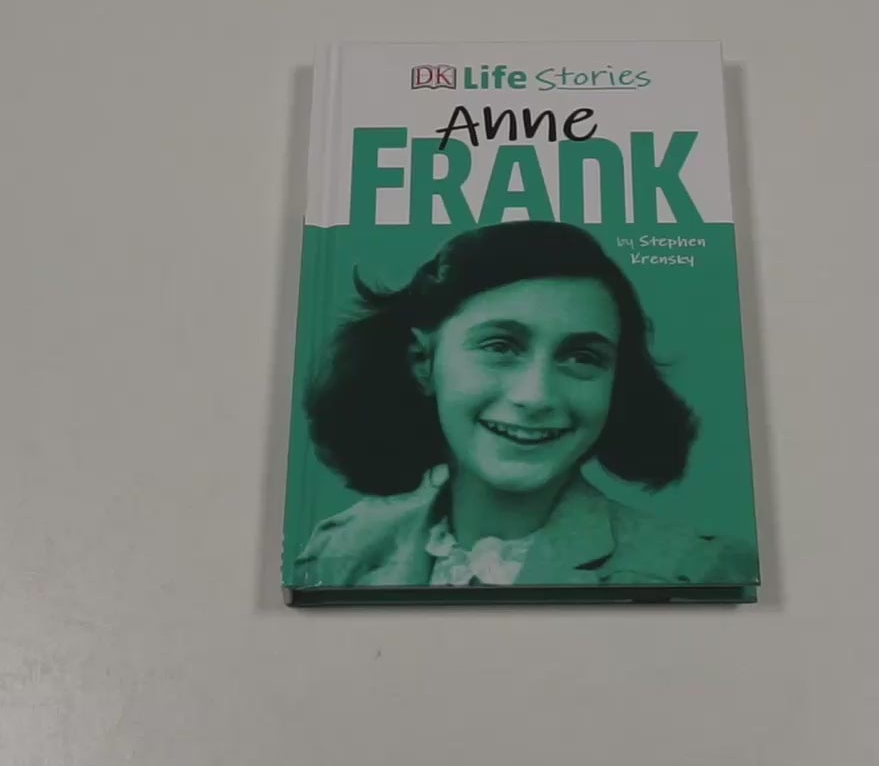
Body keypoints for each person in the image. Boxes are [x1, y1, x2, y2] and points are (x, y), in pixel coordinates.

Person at [293, 219, 757, 589]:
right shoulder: (340, 551)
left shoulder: (701, 570)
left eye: (582, 357)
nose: (536, 396)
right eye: (500, 346)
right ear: (422, 363)